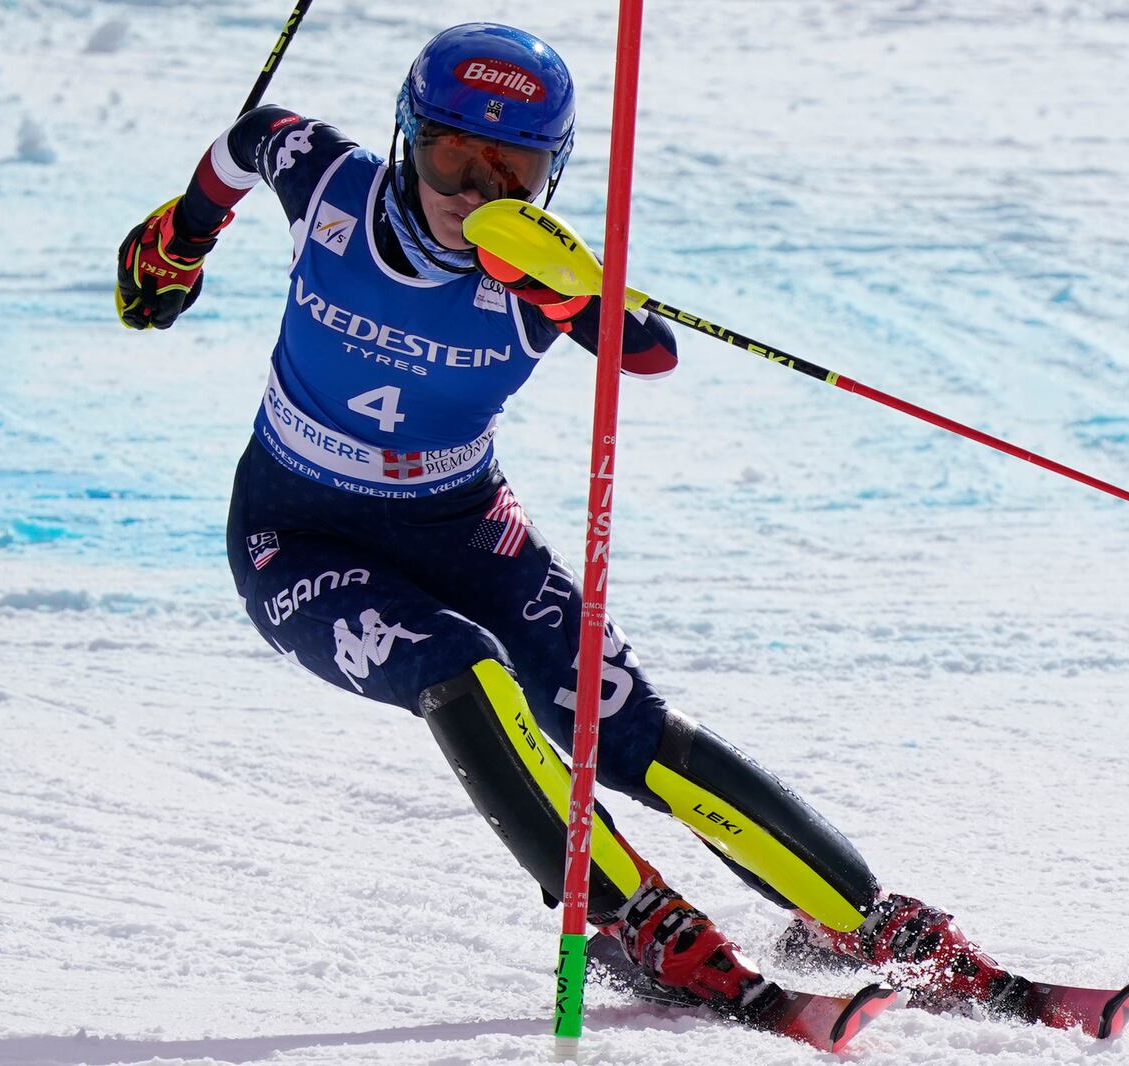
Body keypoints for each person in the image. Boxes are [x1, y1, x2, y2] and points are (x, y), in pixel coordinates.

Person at [115, 22, 1028, 1024]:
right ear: (404, 138)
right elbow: (251, 138)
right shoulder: (328, 183)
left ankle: (862, 917)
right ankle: (640, 920)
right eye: (450, 158)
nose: (470, 196)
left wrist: (564, 290)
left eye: (506, 172)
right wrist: (182, 236)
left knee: (616, 716)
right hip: (297, 532)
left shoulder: (539, 276)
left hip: (460, 522)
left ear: (549, 173)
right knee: (455, 664)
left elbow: (646, 352)